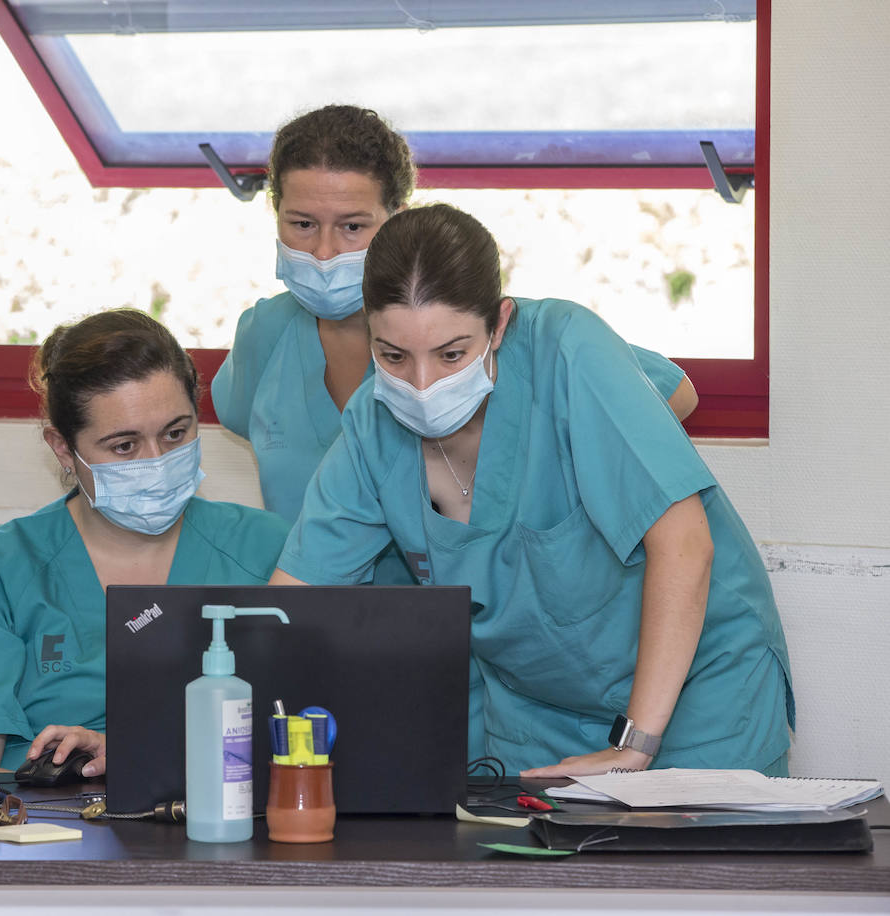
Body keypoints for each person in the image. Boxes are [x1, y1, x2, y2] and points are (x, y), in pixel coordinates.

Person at [271, 203, 793, 777]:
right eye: (393, 356)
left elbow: (686, 544)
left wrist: (636, 744)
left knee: (696, 861)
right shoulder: (373, 425)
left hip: (698, 688)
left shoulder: (567, 351)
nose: (422, 386)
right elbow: (295, 599)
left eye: (451, 354)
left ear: (499, 323)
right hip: (538, 712)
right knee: (531, 860)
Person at [212, 104, 698, 528]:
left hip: (470, 611)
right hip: (321, 605)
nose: (323, 251)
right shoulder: (264, 337)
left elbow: (674, 394)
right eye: (301, 224)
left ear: (396, 219)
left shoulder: (485, 330)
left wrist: (551, 510)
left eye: (352, 227)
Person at [0, 309, 290, 778]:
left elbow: (324, 720)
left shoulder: (272, 550)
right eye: (124, 446)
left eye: (176, 433)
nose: (157, 462)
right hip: (54, 835)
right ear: (64, 449)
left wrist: (134, 751)